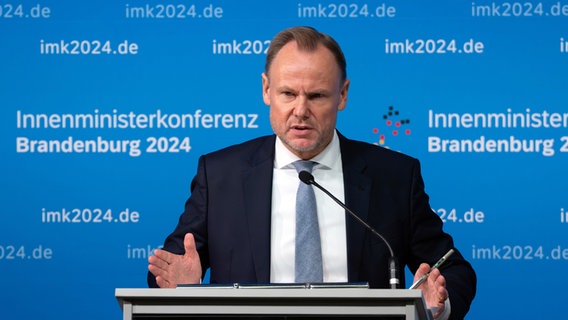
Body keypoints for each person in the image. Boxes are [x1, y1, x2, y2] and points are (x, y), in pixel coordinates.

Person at [148, 26, 476, 319]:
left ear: (342, 94)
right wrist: (180, 289)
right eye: (288, 93)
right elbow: (172, 268)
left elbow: (451, 268)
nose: (300, 110)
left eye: (316, 95)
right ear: (266, 90)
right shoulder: (220, 175)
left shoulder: (394, 176)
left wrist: (438, 305)